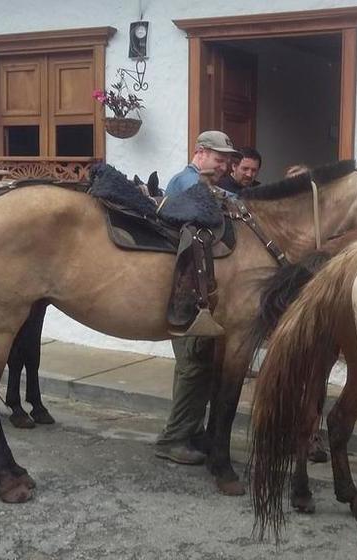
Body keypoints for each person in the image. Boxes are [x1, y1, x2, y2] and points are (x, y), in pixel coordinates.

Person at [155, 130, 239, 465]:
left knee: (198, 367)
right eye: (219, 160)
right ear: (200, 152)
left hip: (196, 289)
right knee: (192, 367)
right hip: (186, 292)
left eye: (225, 162)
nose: (223, 167)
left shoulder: (201, 183)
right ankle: (172, 439)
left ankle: (190, 430)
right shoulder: (185, 183)